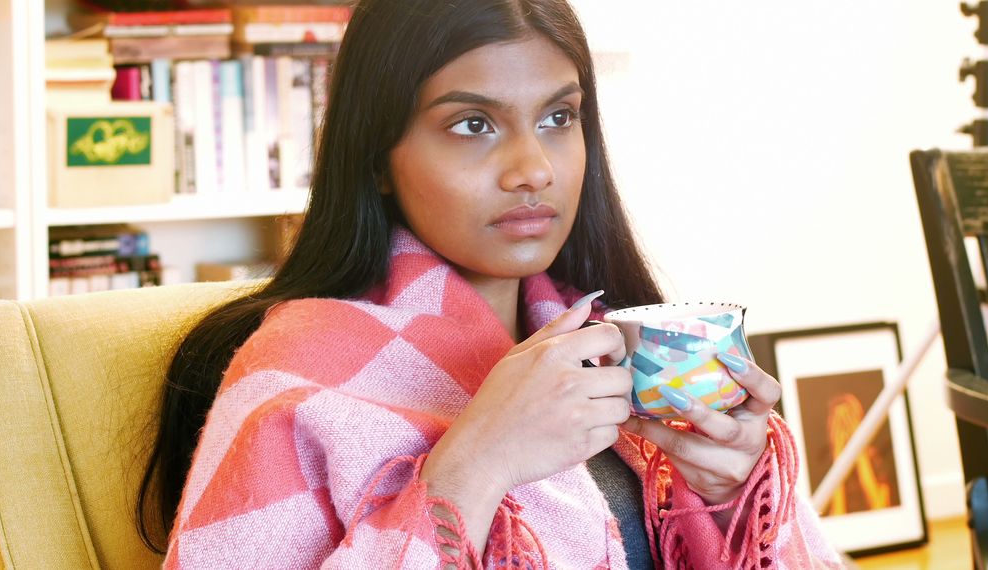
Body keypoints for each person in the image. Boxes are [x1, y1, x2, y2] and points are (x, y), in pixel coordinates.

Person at [138, 0, 843, 567]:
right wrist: (478, 461)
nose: (533, 167)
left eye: (558, 117)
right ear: (377, 157)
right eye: (473, 124)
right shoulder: (292, 385)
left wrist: (729, 495)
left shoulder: (613, 344)